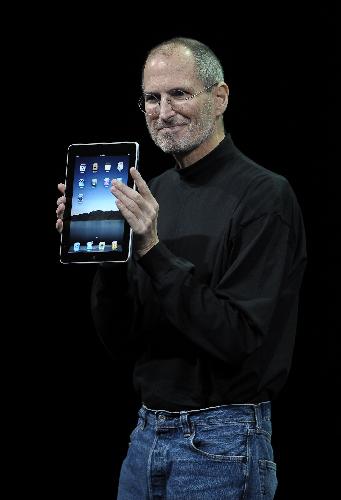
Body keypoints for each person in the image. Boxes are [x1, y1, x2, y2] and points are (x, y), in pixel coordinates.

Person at [56, 37, 306, 499]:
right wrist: (109, 257)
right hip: (147, 435)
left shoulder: (265, 197)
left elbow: (237, 338)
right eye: (152, 97)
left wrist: (151, 248)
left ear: (220, 98)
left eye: (180, 94)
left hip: (222, 443)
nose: (163, 111)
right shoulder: (152, 193)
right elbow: (121, 341)